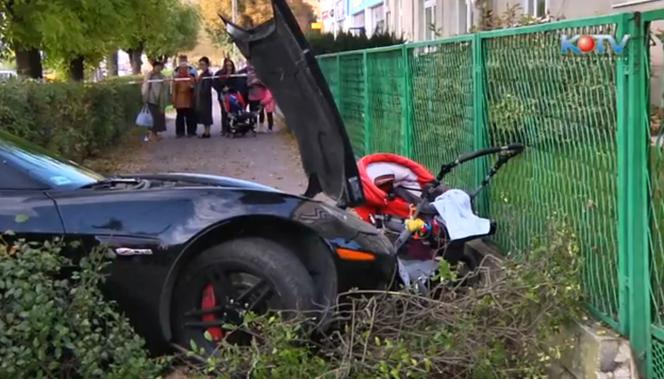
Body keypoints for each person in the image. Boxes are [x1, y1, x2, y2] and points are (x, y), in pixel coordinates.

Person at [213, 58, 245, 137]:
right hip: (223, 96)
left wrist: (230, 88)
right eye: (227, 65)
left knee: (233, 111)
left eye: (230, 65)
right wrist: (221, 89)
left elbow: (237, 85)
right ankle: (224, 129)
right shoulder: (219, 74)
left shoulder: (235, 74)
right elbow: (214, 83)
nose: (229, 67)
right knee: (224, 112)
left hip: (232, 95)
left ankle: (233, 128)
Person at [141, 60, 168, 142]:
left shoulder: (162, 76)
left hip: (160, 100)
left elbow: (165, 85)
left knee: (158, 117)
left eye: (160, 67)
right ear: (154, 67)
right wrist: (145, 97)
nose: (159, 69)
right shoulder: (149, 75)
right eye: (157, 67)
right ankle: (151, 135)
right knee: (152, 118)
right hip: (151, 99)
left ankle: (155, 134)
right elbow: (145, 86)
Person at [245, 63, 275, 132]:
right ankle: (254, 126)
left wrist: (258, 82)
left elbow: (266, 84)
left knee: (261, 111)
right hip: (252, 96)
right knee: (253, 112)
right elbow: (247, 84)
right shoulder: (248, 74)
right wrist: (251, 83)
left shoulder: (261, 74)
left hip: (262, 95)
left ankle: (262, 126)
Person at [172, 55, 197, 137]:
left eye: (185, 68)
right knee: (180, 116)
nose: (183, 69)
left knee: (190, 116)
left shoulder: (191, 74)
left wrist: (192, 86)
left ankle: (191, 131)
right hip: (179, 98)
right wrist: (174, 99)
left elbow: (194, 85)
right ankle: (180, 132)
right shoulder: (176, 75)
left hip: (189, 98)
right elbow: (173, 88)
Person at [195, 57, 214, 139]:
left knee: (207, 114)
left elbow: (206, 87)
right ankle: (205, 131)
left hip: (205, 97)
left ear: (207, 65)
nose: (201, 66)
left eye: (203, 64)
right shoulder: (202, 74)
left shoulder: (207, 75)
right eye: (200, 64)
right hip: (201, 97)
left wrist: (202, 92)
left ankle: (207, 132)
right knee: (203, 114)